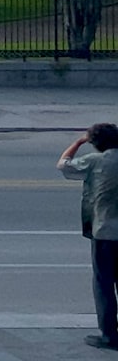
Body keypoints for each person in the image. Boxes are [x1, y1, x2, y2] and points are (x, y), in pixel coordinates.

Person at [60, 123, 118, 350]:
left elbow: (63, 166)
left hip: (105, 232)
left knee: (104, 283)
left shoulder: (95, 161)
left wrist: (78, 142)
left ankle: (109, 335)